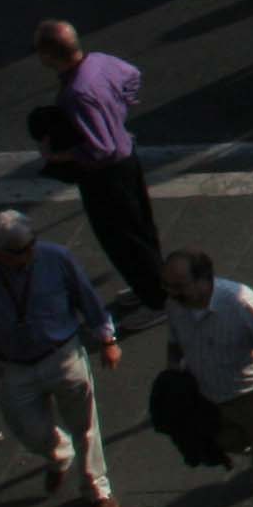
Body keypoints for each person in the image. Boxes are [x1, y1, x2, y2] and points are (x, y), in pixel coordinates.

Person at [0, 210, 124, 507]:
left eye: (31, 244)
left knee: (85, 424)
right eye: (18, 251)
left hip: (62, 354)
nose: (29, 254)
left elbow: (87, 297)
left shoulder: (56, 258)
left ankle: (97, 488)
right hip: (12, 364)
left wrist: (107, 340)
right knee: (27, 428)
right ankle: (59, 453)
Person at [25, 20, 167, 325]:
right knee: (141, 230)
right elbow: (133, 76)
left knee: (122, 240)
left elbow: (100, 148)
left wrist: (57, 155)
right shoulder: (100, 62)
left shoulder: (76, 93)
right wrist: (117, 111)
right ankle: (154, 287)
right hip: (128, 160)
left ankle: (157, 301)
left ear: (48, 55)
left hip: (106, 177)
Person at [156, 247, 253, 507]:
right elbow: (175, 340)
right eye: (167, 285)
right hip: (207, 392)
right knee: (228, 440)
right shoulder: (175, 304)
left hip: (250, 393)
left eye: (179, 286)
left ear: (203, 279)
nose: (171, 293)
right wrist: (173, 373)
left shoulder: (240, 303)